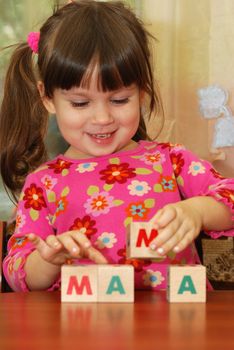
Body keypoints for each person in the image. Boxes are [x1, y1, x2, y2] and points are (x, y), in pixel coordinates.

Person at [0, 0, 233, 292]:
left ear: (141, 92)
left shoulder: (169, 160)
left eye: (120, 99)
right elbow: (17, 269)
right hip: (82, 331)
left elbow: (229, 196)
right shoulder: (43, 183)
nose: (102, 118)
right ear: (47, 98)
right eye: (80, 103)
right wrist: (49, 261)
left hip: (176, 329)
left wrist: (198, 211)